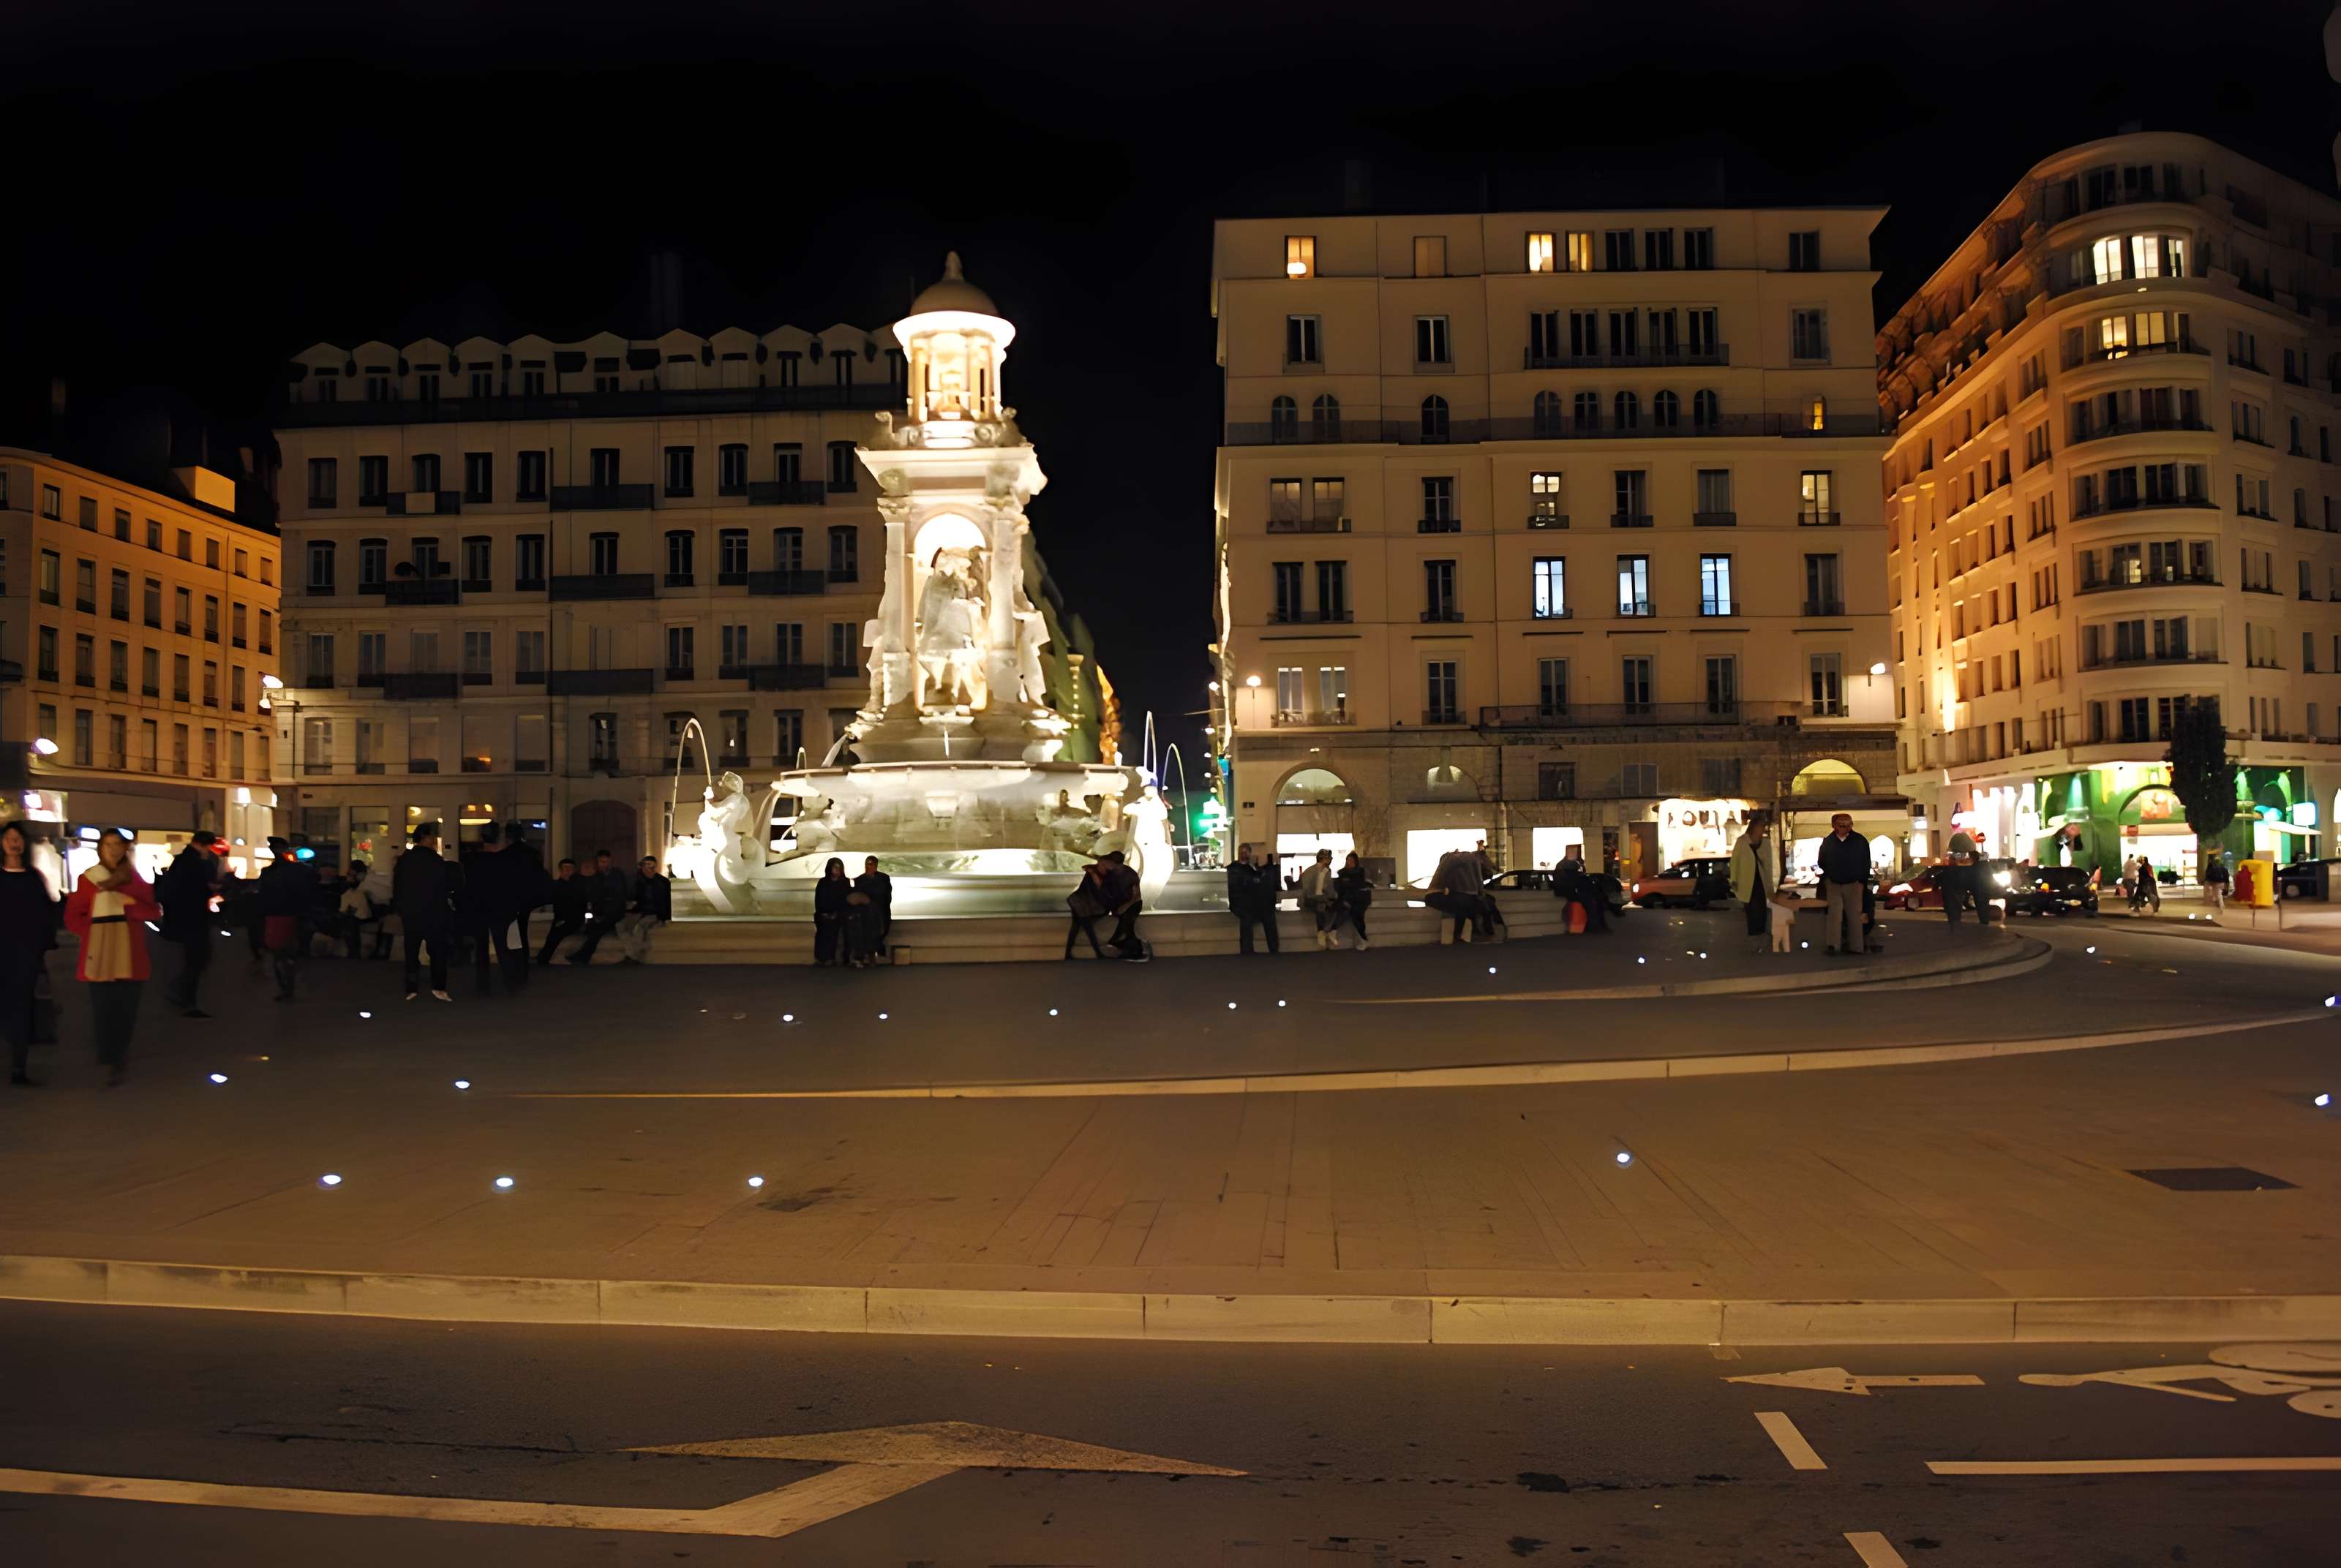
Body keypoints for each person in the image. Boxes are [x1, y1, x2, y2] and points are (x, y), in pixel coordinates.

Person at [63, 832, 162, 1088]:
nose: (114, 850)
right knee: (103, 1008)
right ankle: (108, 1058)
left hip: (131, 952)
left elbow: (152, 911)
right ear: (100, 848)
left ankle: (118, 1056)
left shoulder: (135, 880)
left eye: (118, 845)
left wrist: (127, 903)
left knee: (126, 1009)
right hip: (100, 952)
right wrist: (95, 930)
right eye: (108, 845)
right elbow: (73, 917)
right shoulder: (89, 879)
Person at [1, 821, 60, 1087]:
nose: (14, 843)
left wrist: (43, 945)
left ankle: (18, 1067)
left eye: (18, 839)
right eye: (9, 838)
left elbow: (46, 913)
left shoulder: (33, 877)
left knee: (22, 1008)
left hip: (25, 953)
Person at [156, 829, 222, 1018]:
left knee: (195, 958)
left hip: (183, 917)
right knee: (198, 958)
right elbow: (201, 886)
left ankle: (180, 993)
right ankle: (186, 999)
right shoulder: (195, 862)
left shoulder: (182, 861)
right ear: (204, 845)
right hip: (192, 918)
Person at [392, 823, 459, 1000]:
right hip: (434, 911)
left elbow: (397, 888)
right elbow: (446, 885)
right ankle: (438, 987)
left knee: (411, 950)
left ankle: (411, 987)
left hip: (411, 912)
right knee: (437, 951)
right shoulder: (436, 861)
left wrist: (401, 908)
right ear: (427, 838)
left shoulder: (404, 861)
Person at [256, 836, 318, 1001]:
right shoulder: (301, 871)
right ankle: (289, 987)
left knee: (278, 954)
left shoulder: (269, 873)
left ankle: (286, 988)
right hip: (295, 914)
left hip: (276, 915)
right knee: (290, 952)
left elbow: (262, 896)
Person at [1816, 813, 1872, 955]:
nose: (1846, 828)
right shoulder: (1829, 841)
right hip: (1834, 883)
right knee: (1834, 915)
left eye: (1848, 825)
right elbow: (1822, 861)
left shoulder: (1859, 841)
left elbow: (1866, 862)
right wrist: (1829, 875)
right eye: (1842, 825)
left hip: (1853, 883)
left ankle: (1856, 947)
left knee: (1854, 915)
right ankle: (1833, 945)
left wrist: (1861, 882)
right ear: (1834, 826)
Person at [568, 848, 630, 965]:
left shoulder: (617, 874)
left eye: (605, 862)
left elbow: (619, 897)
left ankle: (583, 956)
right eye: (601, 862)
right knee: (592, 924)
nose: (603, 865)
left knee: (599, 929)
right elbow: (592, 894)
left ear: (610, 862)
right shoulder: (596, 876)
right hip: (599, 910)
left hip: (614, 912)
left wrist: (605, 912)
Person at [1226, 843, 1279, 954]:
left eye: (1245, 852)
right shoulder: (1234, 868)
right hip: (1240, 902)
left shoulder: (1252, 868)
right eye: (1241, 852)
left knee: (1269, 915)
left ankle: (1274, 948)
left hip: (1252, 901)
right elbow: (1238, 886)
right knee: (1247, 917)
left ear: (1249, 853)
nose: (1243, 855)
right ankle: (1247, 950)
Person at [1729, 816, 1771, 955]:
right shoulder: (1742, 841)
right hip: (1747, 882)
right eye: (1760, 827)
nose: (1761, 830)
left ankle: (1762, 939)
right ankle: (1754, 941)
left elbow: (1769, 862)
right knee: (1752, 912)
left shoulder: (1764, 843)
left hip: (1761, 881)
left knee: (1762, 911)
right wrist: (1734, 880)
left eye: (1763, 827)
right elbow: (1735, 861)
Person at [1427, 847, 1487, 944]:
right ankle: (1473, 931)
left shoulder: (1451, 861)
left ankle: (1459, 935)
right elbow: (1479, 879)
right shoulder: (1471, 859)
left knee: (1461, 910)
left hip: (1455, 895)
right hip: (1467, 895)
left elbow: (1446, 881)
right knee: (1465, 909)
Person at [620, 855, 672, 964]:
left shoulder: (662, 882)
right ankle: (637, 949)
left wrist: (667, 917)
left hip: (653, 913)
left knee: (640, 927)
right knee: (621, 925)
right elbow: (632, 897)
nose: (651, 870)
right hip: (639, 912)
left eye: (653, 867)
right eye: (648, 867)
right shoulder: (637, 880)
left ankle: (633, 957)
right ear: (642, 868)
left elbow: (667, 901)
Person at [536, 859, 587, 963]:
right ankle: (543, 958)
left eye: (571, 868)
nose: (568, 871)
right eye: (566, 868)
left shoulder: (578, 885)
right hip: (562, 918)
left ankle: (543, 958)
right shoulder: (556, 886)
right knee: (554, 934)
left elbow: (582, 904)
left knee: (555, 934)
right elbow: (557, 905)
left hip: (574, 919)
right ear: (561, 870)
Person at [1099, 849, 1146, 960]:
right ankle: (1131, 946)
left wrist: (1125, 906)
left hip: (1133, 904)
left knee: (1127, 923)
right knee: (1127, 926)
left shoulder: (1130, 874)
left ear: (1114, 863)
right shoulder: (1110, 874)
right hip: (1120, 906)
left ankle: (1124, 944)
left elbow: (1137, 896)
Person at [1552, 846, 1609, 935]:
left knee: (1596, 900)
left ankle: (1598, 925)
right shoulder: (1566, 865)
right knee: (1591, 902)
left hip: (1575, 889)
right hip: (1570, 890)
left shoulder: (1574, 864)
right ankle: (1594, 925)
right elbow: (1570, 881)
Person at [849, 855, 893, 966]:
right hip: (865, 913)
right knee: (866, 931)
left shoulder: (884, 879)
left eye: (871, 864)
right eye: (867, 864)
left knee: (877, 931)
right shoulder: (860, 880)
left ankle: (873, 954)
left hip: (879, 912)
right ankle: (867, 956)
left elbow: (886, 896)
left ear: (876, 866)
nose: (868, 867)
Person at [813, 856, 856, 966]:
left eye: (839, 867)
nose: (837, 869)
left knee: (839, 926)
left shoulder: (845, 882)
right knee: (824, 928)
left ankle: (837, 957)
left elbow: (846, 900)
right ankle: (822, 957)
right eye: (835, 867)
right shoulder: (823, 882)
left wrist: (837, 913)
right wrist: (825, 913)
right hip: (825, 913)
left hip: (840, 913)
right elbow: (819, 900)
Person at [1063, 861, 1111, 959]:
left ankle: (1068, 954)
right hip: (1080, 904)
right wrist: (1093, 872)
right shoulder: (1093, 874)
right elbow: (1099, 884)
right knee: (1087, 928)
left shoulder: (1096, 873)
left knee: (1076, 928)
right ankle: (1098, 953)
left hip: (1078, 902)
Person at [1298, 848, 1339, 949]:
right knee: (1321, 905)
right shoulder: (1310, 872)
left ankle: (1325, 931)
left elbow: (1330, 891)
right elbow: (1308, 892)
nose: (1330, 861)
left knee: (1337, 906)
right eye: (1329, 859)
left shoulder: (1327, 872)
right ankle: (1323, 932)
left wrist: (1331, 898)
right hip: (1310, 899)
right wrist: (1325, 898)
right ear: (1323, 859)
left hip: (1320, 899)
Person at [1333, 851, 1373, 950]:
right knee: (1350, 911)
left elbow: (1357, 885)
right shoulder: (1342, 873)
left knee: (1357, 914)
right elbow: (1342, 888)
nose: (1349, 862)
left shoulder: (1359, 872)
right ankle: (1332, 930)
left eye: (1351, 860)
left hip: (1358, 899)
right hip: (1347, 898)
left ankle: (1363, 940)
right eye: (1348, 860)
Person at [1942, 827, 1981, 927]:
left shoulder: (1951, 871)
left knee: (1953, 903)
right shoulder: (1973, 869)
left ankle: (1954, 923)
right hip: (1962, 878)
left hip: (1954, 880)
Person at [1767, 883, 1800, 954]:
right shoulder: (1789, 905)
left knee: (1776, 942)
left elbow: (1769, 905)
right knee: (1784, 941)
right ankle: (1786, 952)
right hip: (1784, 924)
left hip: (1777, 924)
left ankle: (1777, 953)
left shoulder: (1775, 903)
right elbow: (1791, 915)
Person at [2203, 848, 2230, 915]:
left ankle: (2220, 905)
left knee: (2217, 895)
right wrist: (2226, 886)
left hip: (2214, 883)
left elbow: (2207, 875)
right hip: (2221, 882)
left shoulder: (2211, 867)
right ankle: (2220, 904)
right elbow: (2227, 877)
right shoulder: (2224, 868)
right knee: (2218, 894)